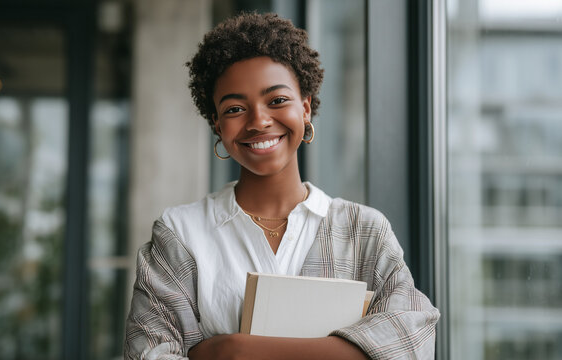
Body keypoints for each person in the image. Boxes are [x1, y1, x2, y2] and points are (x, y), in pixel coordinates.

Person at [124, 12, 439, 360]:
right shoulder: (181, 234)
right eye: (234, 109)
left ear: (305, 108)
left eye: (277, 101)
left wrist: (234, 349)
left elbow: (411, 341)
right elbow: (148, 352)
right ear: (217, 124)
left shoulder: (364, 231)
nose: (258, 121)